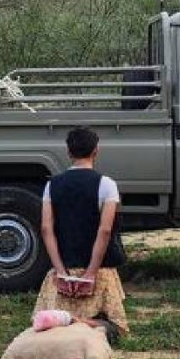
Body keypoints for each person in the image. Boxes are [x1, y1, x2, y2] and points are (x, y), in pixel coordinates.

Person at [33, 127, 128, 345]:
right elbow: (105, 230)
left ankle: (63, 320)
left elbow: (47, 228)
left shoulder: (52, 185)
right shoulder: (107, 185)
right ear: (96, 151)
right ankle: (79, 322)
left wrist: (61, 272)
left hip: (64, 270)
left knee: (47, 328)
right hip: (99, 272)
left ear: (68, 152)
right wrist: (90, 274)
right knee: (114, 328)